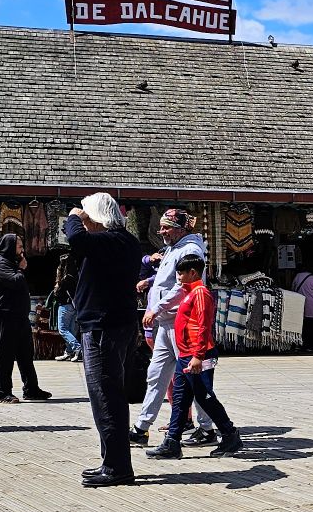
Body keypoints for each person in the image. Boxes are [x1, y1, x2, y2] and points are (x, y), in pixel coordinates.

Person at [65, 192, 144, 487]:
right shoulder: (126, 241)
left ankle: (116, 467)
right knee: (111, 395)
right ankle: (111, 460)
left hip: (103, 328)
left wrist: (74, 216)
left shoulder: (110, 241)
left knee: (106, 396)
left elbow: (76, 238)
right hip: (116, 325)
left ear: (96, 218)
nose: (84, 224)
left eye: (88, 218)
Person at [131, 210, 227, 449]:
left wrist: (157, 308)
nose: (161, 231)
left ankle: (207, 428)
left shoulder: (190, 250)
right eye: (161, 227)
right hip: (166, 323)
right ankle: (142, 427)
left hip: (180, 323)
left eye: (167, 227)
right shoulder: (172, 248)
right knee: (156, 374)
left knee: (193, 380)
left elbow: (181, 286)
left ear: (181, 228)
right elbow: (164, 281)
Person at [148, 257, 242, 459]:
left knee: (204, 397)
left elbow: (203, 326)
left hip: (198, 355)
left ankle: (229, 434)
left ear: (193, 272)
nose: (179, 277)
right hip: (185, 355)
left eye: (181, 273)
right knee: (180, 399)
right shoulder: (189, 292)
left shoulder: (200, 293)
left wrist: (198, 356)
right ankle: (172, 442)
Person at [0, 235, 51, 404]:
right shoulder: (0, 263)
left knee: (25, 354)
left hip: (18, 316)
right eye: (19, 246)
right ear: (9, 246)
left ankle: (31, 389)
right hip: (5, 316)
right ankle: (2, 392)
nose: (22, 249)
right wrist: (21, 268)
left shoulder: (9, 263)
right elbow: (16, 281)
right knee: (4, 355)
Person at [52, 256, 81, 361]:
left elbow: (58, 294)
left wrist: (57, 287)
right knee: (71, 330)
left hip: (65, 305)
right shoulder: (76, 277)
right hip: (74, 307)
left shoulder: (65, 279)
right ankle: (69, 351)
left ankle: (77, 348)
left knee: (63, 329)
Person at [291, 262, 313, 351]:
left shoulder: (297, 277)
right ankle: (311, 346)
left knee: (302, 327)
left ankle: (300, 345)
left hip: (299, 305)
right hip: (312, 307)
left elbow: (292, 290)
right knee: (312, 327)